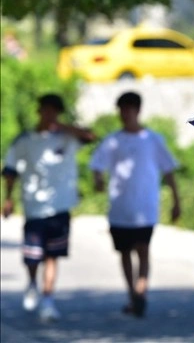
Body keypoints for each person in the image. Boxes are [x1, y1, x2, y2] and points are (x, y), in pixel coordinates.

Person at [2, 93, 95, 322]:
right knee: (33, 256)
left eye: (55, 111)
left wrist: (61, 126)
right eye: (46, 110)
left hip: (61, 206)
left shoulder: (68, 138)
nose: (50, 114)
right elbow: (10, 170)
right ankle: (33, 283)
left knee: (52, 255)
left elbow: (91, 136)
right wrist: (8, 198)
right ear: (39, 111)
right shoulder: (24, 140)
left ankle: (48, 299)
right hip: (34, 207)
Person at [90, 91, 181, 318]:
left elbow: (168, 170)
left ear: (138, 110)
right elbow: (97, 164)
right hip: (120, 207)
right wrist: (98, 180)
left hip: (146, 206)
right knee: (124, 252)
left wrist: (176, 200)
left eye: (130, 109)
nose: (126, 113)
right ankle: (132, 293)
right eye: (122, 109)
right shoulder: (113, 140)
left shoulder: (153, 139)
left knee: (143, 249)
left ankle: (141, 290)